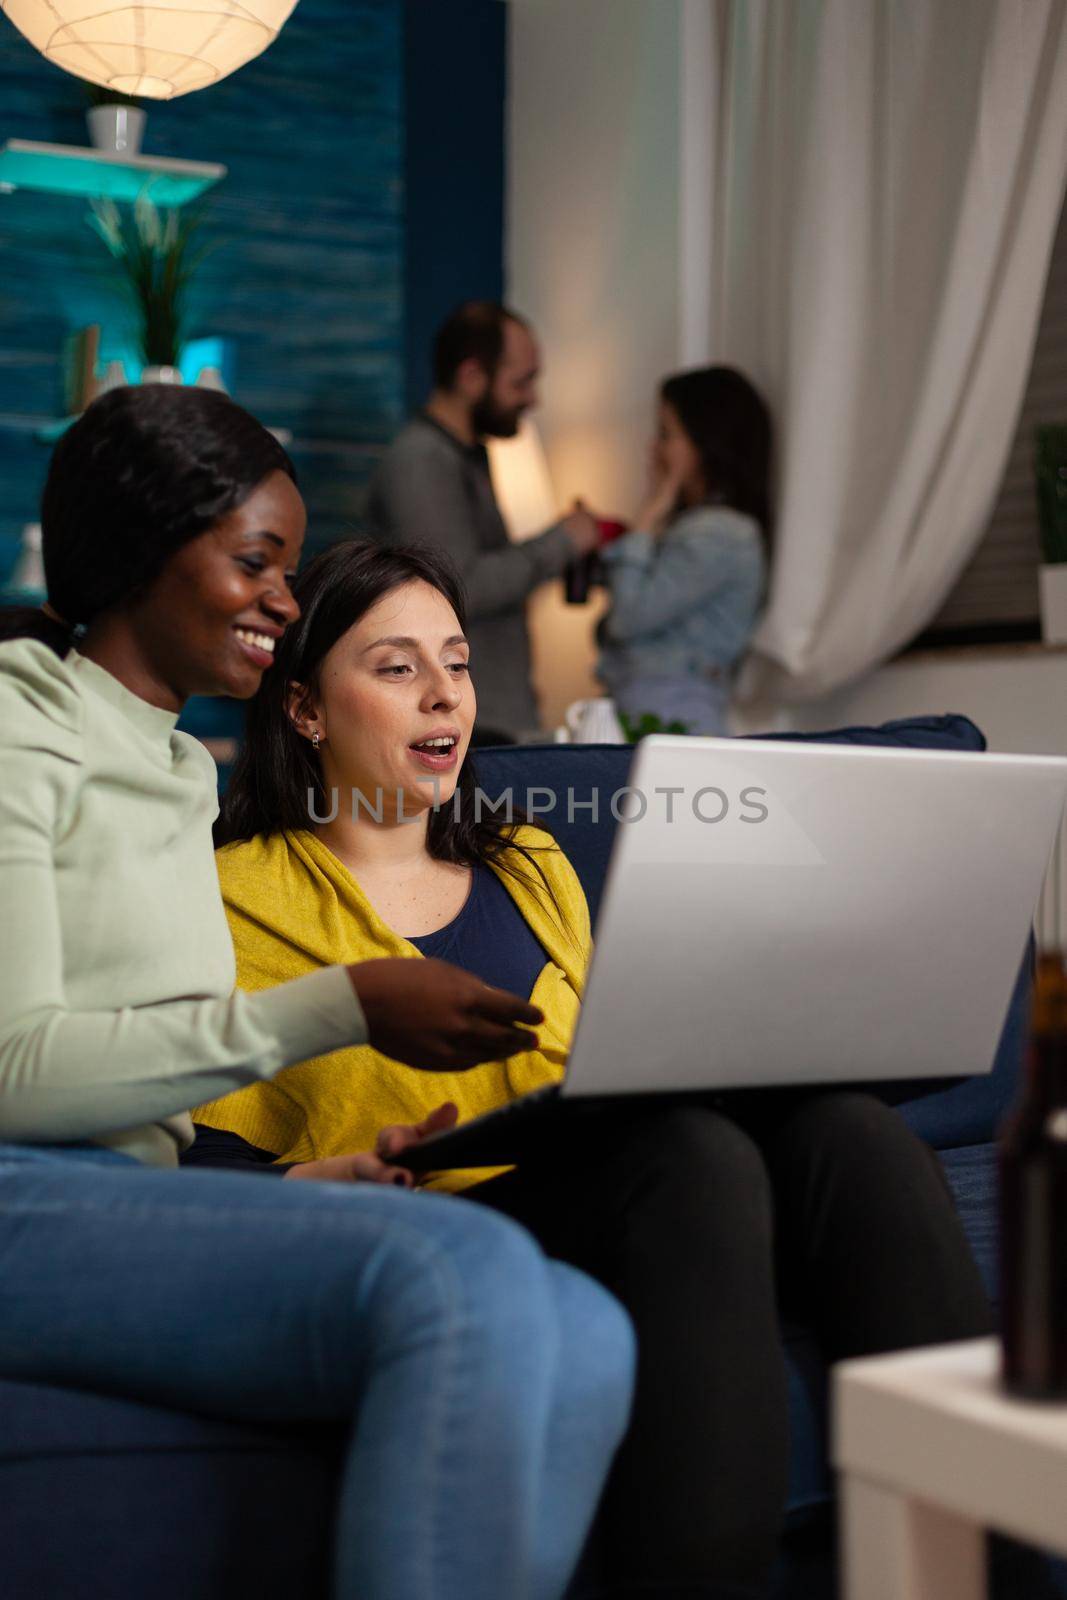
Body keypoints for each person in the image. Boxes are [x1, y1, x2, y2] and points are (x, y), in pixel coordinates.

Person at [190, 535, 993, 1600]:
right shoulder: (233, 896)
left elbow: (621, 1049)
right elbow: (195, 1158)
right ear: (302, 709)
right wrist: (322, 1180)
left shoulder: (527, 859)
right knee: (688, 1157)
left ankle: (988, 1575)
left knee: (851, 1133)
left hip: (607, 1177)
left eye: (459, 663)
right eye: (396, 669)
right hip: (441, 1215)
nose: (443, 696)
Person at [0, 385, 636, 1600]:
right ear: (144, 550)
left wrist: (308, 1184)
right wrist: (344, 1002)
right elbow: (16, 1068)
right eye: (258, 564)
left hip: (127, 1191)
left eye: (289, 568)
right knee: (461, 1275)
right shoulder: (20, 727)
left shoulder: (177, 764)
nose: (284, 603)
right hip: (21, 1193)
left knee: (591, 1329)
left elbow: (149, 1082)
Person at [364, 300, 600, 743]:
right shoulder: (422, 460)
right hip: (463, 723)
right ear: (471, 376)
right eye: (522, 381)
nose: (533, 398)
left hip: (489, 715)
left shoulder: (465, 456)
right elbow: (458, 585)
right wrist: (563, 541)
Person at [598, 365, 772, 736]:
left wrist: (646, 517)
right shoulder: (702, 530)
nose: (654, 447)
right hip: (662, 713)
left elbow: (626, 618)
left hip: (674, 716)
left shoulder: (720, 534)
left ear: (705, 442)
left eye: (666, 433)